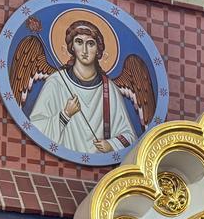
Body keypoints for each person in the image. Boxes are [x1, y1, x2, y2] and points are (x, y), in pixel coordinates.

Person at [28, 18, 141, 155]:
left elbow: (130, 137)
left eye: (91, 44)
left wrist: (111, 144)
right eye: (79, 42)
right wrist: (65, 114)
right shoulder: (56, 82)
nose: (85, 50)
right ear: (72, 47)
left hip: (99, 163)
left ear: (98, 50)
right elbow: (36, 126)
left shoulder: (109, 89)